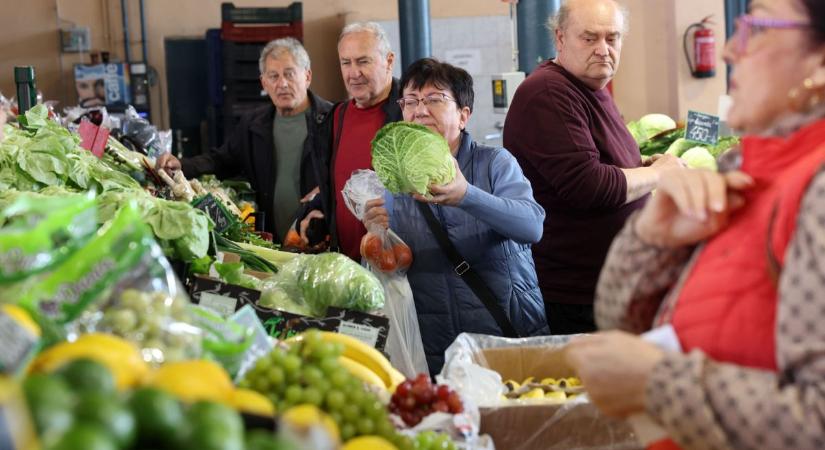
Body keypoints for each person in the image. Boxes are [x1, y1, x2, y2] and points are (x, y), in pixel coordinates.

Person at [565, 1, 825, 449]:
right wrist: (651, 241)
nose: (727, 50)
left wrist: (656, 382)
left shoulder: (816, 189)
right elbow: (621, 321)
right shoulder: (746, 172)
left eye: (756, 28)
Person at [503, 0, 682, 333]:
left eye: (612, 38)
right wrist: (660, 174)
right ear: (559, 39)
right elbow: (589, 186)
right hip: (576, 297)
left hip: (611, 287)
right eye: (589, 38)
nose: (603, 50)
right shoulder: (549, 92)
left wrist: (641, 163)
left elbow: (595, 159)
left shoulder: (591, 86)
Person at [362, 58, 550, 374]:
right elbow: (398, 265)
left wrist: (467, 196)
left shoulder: (494, 163)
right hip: (437, 347)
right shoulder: (394, 182)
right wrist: (376, 238)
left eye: (434, 99)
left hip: (505, 338)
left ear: (464, 115)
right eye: (410, 101)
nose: (419, 110)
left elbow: (531, 226)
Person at [156, 37, 333, 241]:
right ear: (263, 83)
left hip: (319, 238)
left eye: (289, 74)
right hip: (272, 241)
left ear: (307, 76)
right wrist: (182, 165)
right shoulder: (253, 124)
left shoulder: (331, 120)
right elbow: (221, 160)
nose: (282, 83)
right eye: (273, 76)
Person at [304, 22, 402, 260]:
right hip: (347, 263)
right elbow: (334, 186)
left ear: (389, 61)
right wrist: (314, 207)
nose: (353, 73)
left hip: (400, 264)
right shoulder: (333, 118)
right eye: (345, 63)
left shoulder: (410, 114)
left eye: (363, 61)